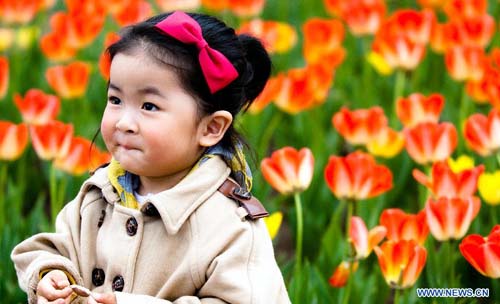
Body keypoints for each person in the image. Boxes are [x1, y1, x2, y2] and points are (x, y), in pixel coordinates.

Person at [11, 11, 290, 304]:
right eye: (116, 100)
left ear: (211, 128)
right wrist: (51, 274)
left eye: (149, 106)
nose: (124, 122)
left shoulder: (228, 225)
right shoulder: (101, 193)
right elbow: (57, 249)